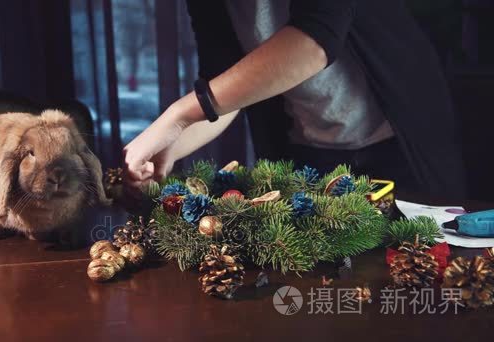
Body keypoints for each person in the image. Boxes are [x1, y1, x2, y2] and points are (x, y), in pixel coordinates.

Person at [123, 0, 467, 199]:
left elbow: (313, 43)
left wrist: (178, 115)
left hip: (403, 146)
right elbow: (224, 88)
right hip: (308, 153)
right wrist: (164, 150)